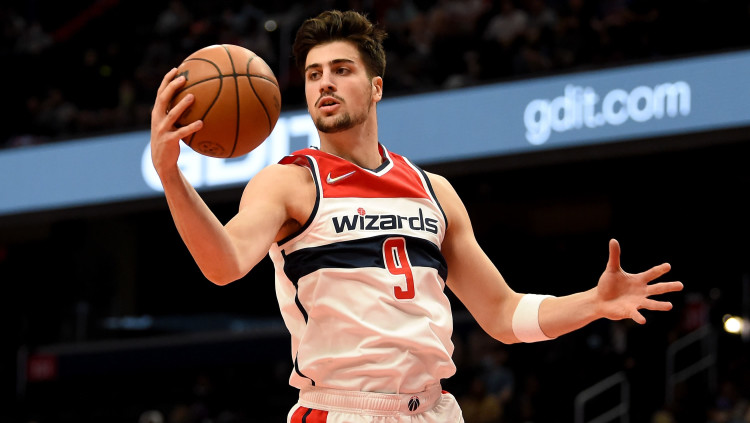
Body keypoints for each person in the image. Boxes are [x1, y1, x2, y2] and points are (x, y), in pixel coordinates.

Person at [149, 9, 683, 423]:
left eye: (341, 70)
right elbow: (223, 263)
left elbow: (503, 314)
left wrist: (592, 303)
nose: (324, 83)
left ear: (376, 87)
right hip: (342, 408)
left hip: (434, 409)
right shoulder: (290, 182)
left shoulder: (434, 191)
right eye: (313, 75)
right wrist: (172, 176)